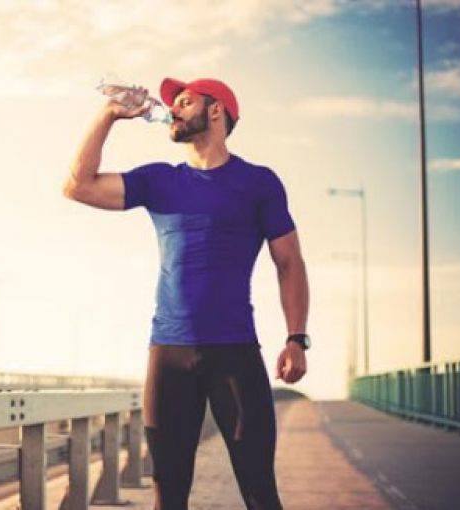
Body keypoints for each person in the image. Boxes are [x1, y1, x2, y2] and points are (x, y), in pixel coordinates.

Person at [62, 77, 310, 510]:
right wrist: (109, 116)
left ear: (216, 111)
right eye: (173, 102)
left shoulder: (258, 182)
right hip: (169, 353)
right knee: (169, 494)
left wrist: (296, 338)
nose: (173, 109)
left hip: (235, 352)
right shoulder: (160, 180)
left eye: (185, 101)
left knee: (259, 491)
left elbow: (289, 262)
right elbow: (77, 186)